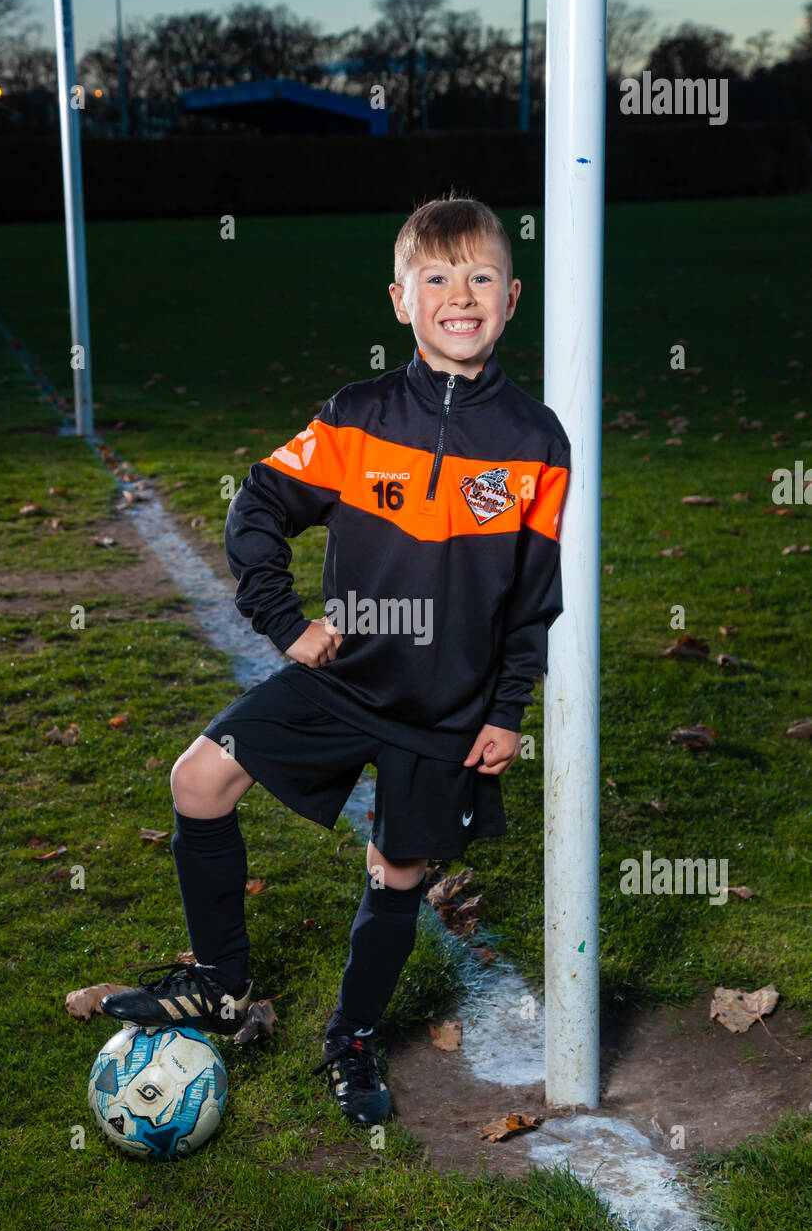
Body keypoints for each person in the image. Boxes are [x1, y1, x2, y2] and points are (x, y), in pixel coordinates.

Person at [102, 194, 571, 1125]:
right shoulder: (356, 418)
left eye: (480, 277)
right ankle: (218, 982)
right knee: (198, 781)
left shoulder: (534, 440)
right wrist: (284, 621)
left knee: (398, 872)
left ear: (512, 297)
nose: (460, 295)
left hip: (447, 708)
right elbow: (259, 506)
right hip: (342, 681)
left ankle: (351, 1036)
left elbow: (532, 599)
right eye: (435, 278)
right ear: (401, 300)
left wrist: (508, 708)